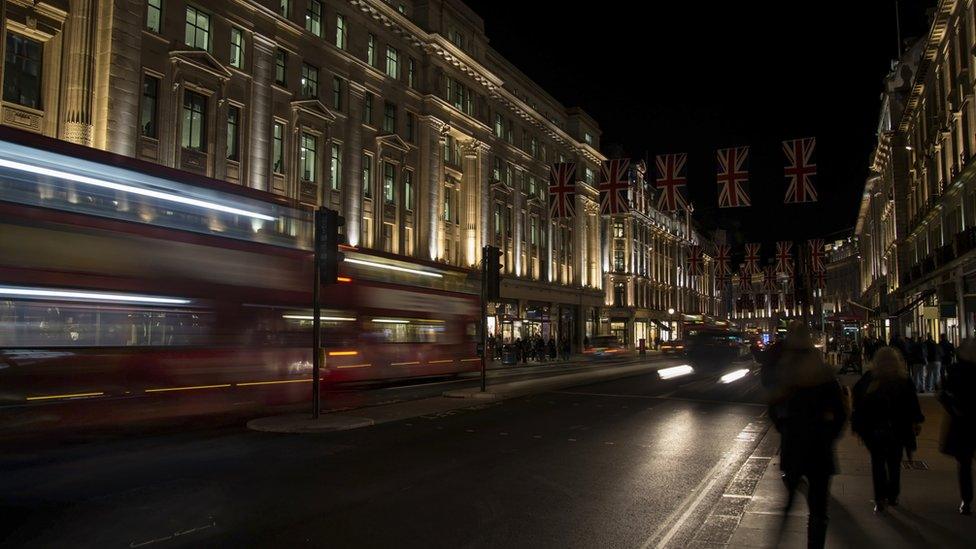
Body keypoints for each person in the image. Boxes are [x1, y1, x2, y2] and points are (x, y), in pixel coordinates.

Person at [763, 321, 846, 549]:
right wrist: (829, 435)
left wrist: (784, 427)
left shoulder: (786, 373)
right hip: (820, 447)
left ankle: (778, 539)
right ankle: (815, 545)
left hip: (794, 445)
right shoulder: (824, 374)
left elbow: (773, 407)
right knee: (819, 508)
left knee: (788, 502)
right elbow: (840, 414)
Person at [851, 347, 924, 512]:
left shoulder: (869, 379)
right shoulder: (903, 380)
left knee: (878, 462)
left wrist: (859, 425)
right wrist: (916, 422)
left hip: (874, 430)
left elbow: (858, 401)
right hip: (897, 429)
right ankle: (893, 495)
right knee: (894, 462)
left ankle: (879, 498)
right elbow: (912, 405)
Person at [939, 339, 976, 515]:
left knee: (964, 464)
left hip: (962, 423)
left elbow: (944, 394)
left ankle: (966, 500)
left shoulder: (955, 371)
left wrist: (954, 410)